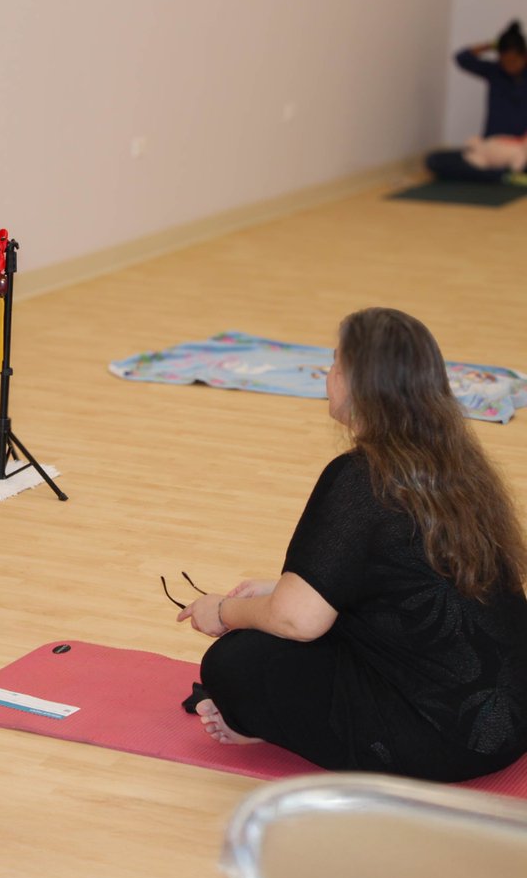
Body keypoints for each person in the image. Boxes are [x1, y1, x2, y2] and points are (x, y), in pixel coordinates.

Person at [177, 307, 527, 782]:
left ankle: (267, 729)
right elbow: (404, 574)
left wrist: (221, 611)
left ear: (361, 386)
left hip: (442, 742)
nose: (328, 375)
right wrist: (279, 588)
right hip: (510, 722)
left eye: (336, 364)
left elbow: (297, 620)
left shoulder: (362, 477)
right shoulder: (459, 463)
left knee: (236, 659)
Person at [426, 20, 527, 184]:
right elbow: (462, 58)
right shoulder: (495, 72)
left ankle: (502, 174)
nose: (510, 67)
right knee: (434, 160)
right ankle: (503, 176)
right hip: (490, 150)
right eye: (505, 61)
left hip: (522, 150)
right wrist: (492, 45)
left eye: (515, 61)